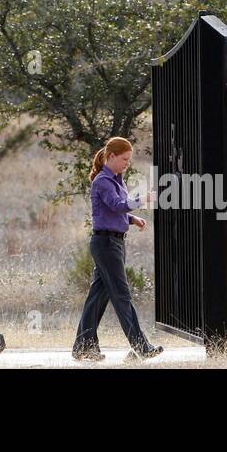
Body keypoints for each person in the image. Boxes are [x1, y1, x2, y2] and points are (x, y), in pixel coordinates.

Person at [72, 136, 163, 362]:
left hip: (113, 243)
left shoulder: (115, 179)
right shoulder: (102, 181)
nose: (127, 163)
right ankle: (141, 347)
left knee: (97, 298)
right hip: (106, 245)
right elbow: (116, 205)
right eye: (124, 159)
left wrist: (132, 220)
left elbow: (114, 211)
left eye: (128, 159)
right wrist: (142, 200)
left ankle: (83, 347)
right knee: (122, 296)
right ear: (110, 156)